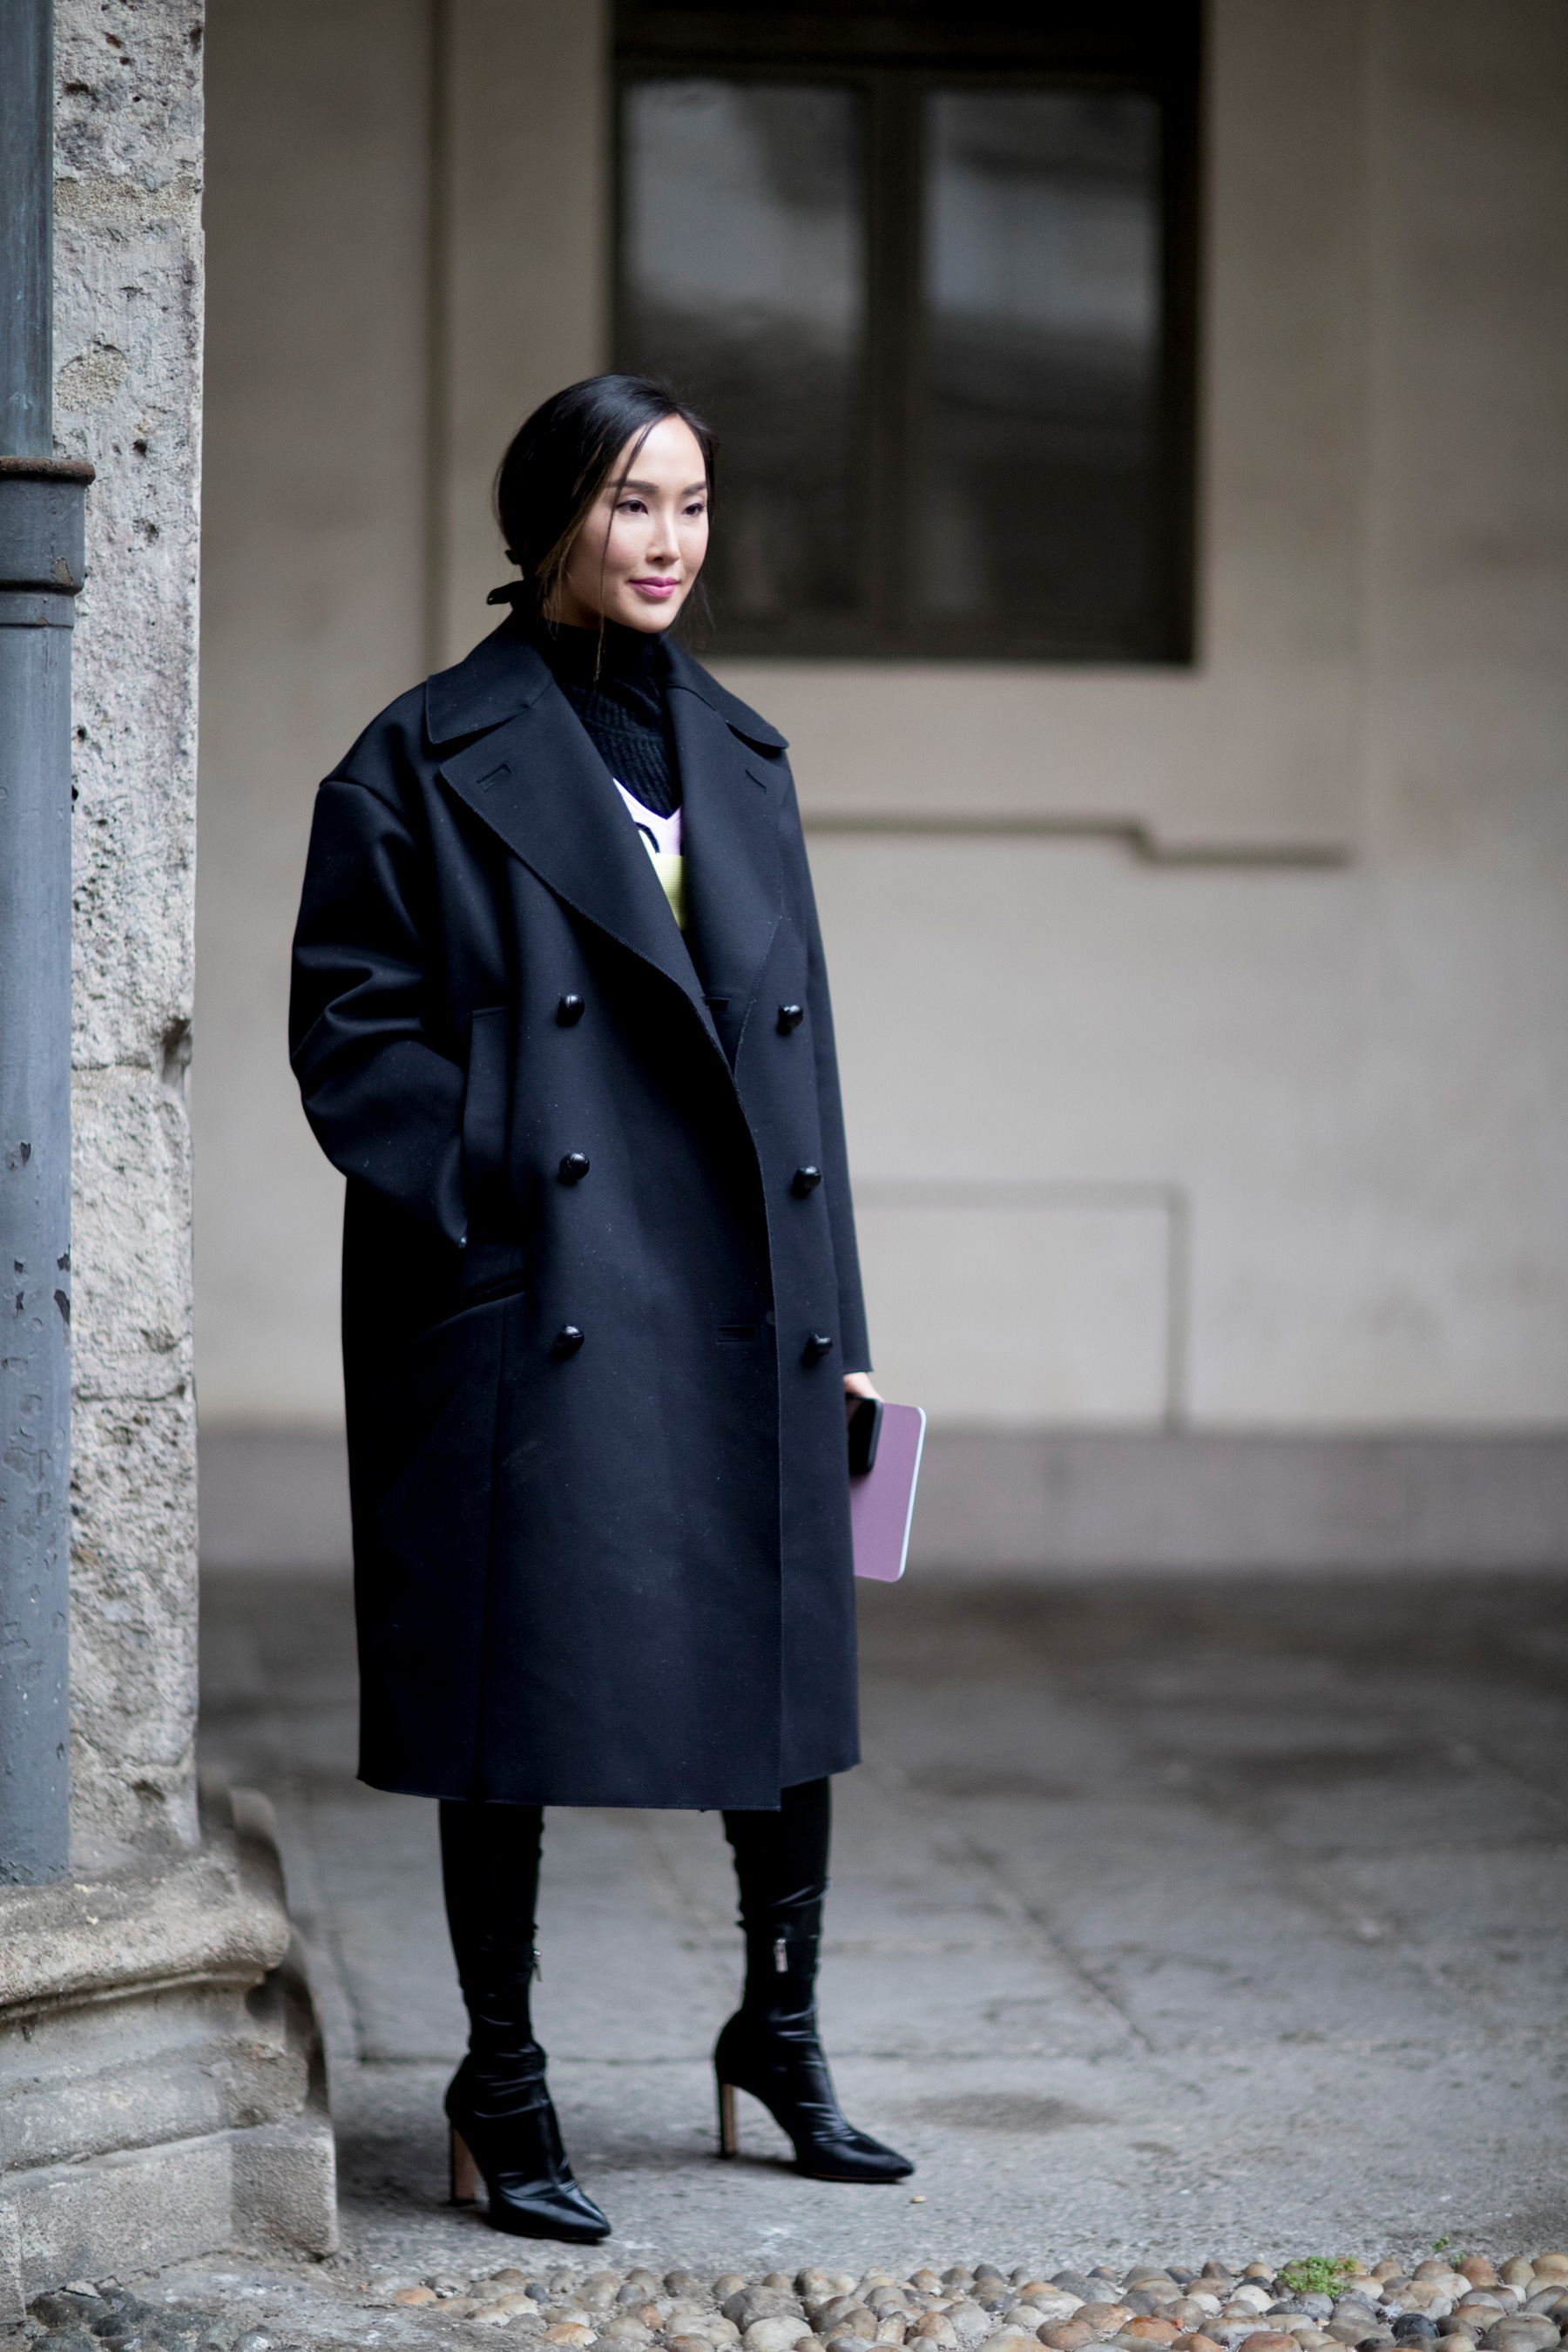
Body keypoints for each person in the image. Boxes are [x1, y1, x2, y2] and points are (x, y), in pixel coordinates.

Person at [288, 375, 912, 2241]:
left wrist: (843, 1314)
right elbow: (348, 1032)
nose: (668, 543)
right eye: (633, 502)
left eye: (694, 505)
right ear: (549, 513)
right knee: (514, 1686)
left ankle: (777, 2032)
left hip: (742, 1288)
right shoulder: (420, 756)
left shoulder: (744, 755)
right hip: (536, 1284)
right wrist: (507, 1159)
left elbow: (800, 1067)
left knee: (782, 1661)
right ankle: (500, 2078)